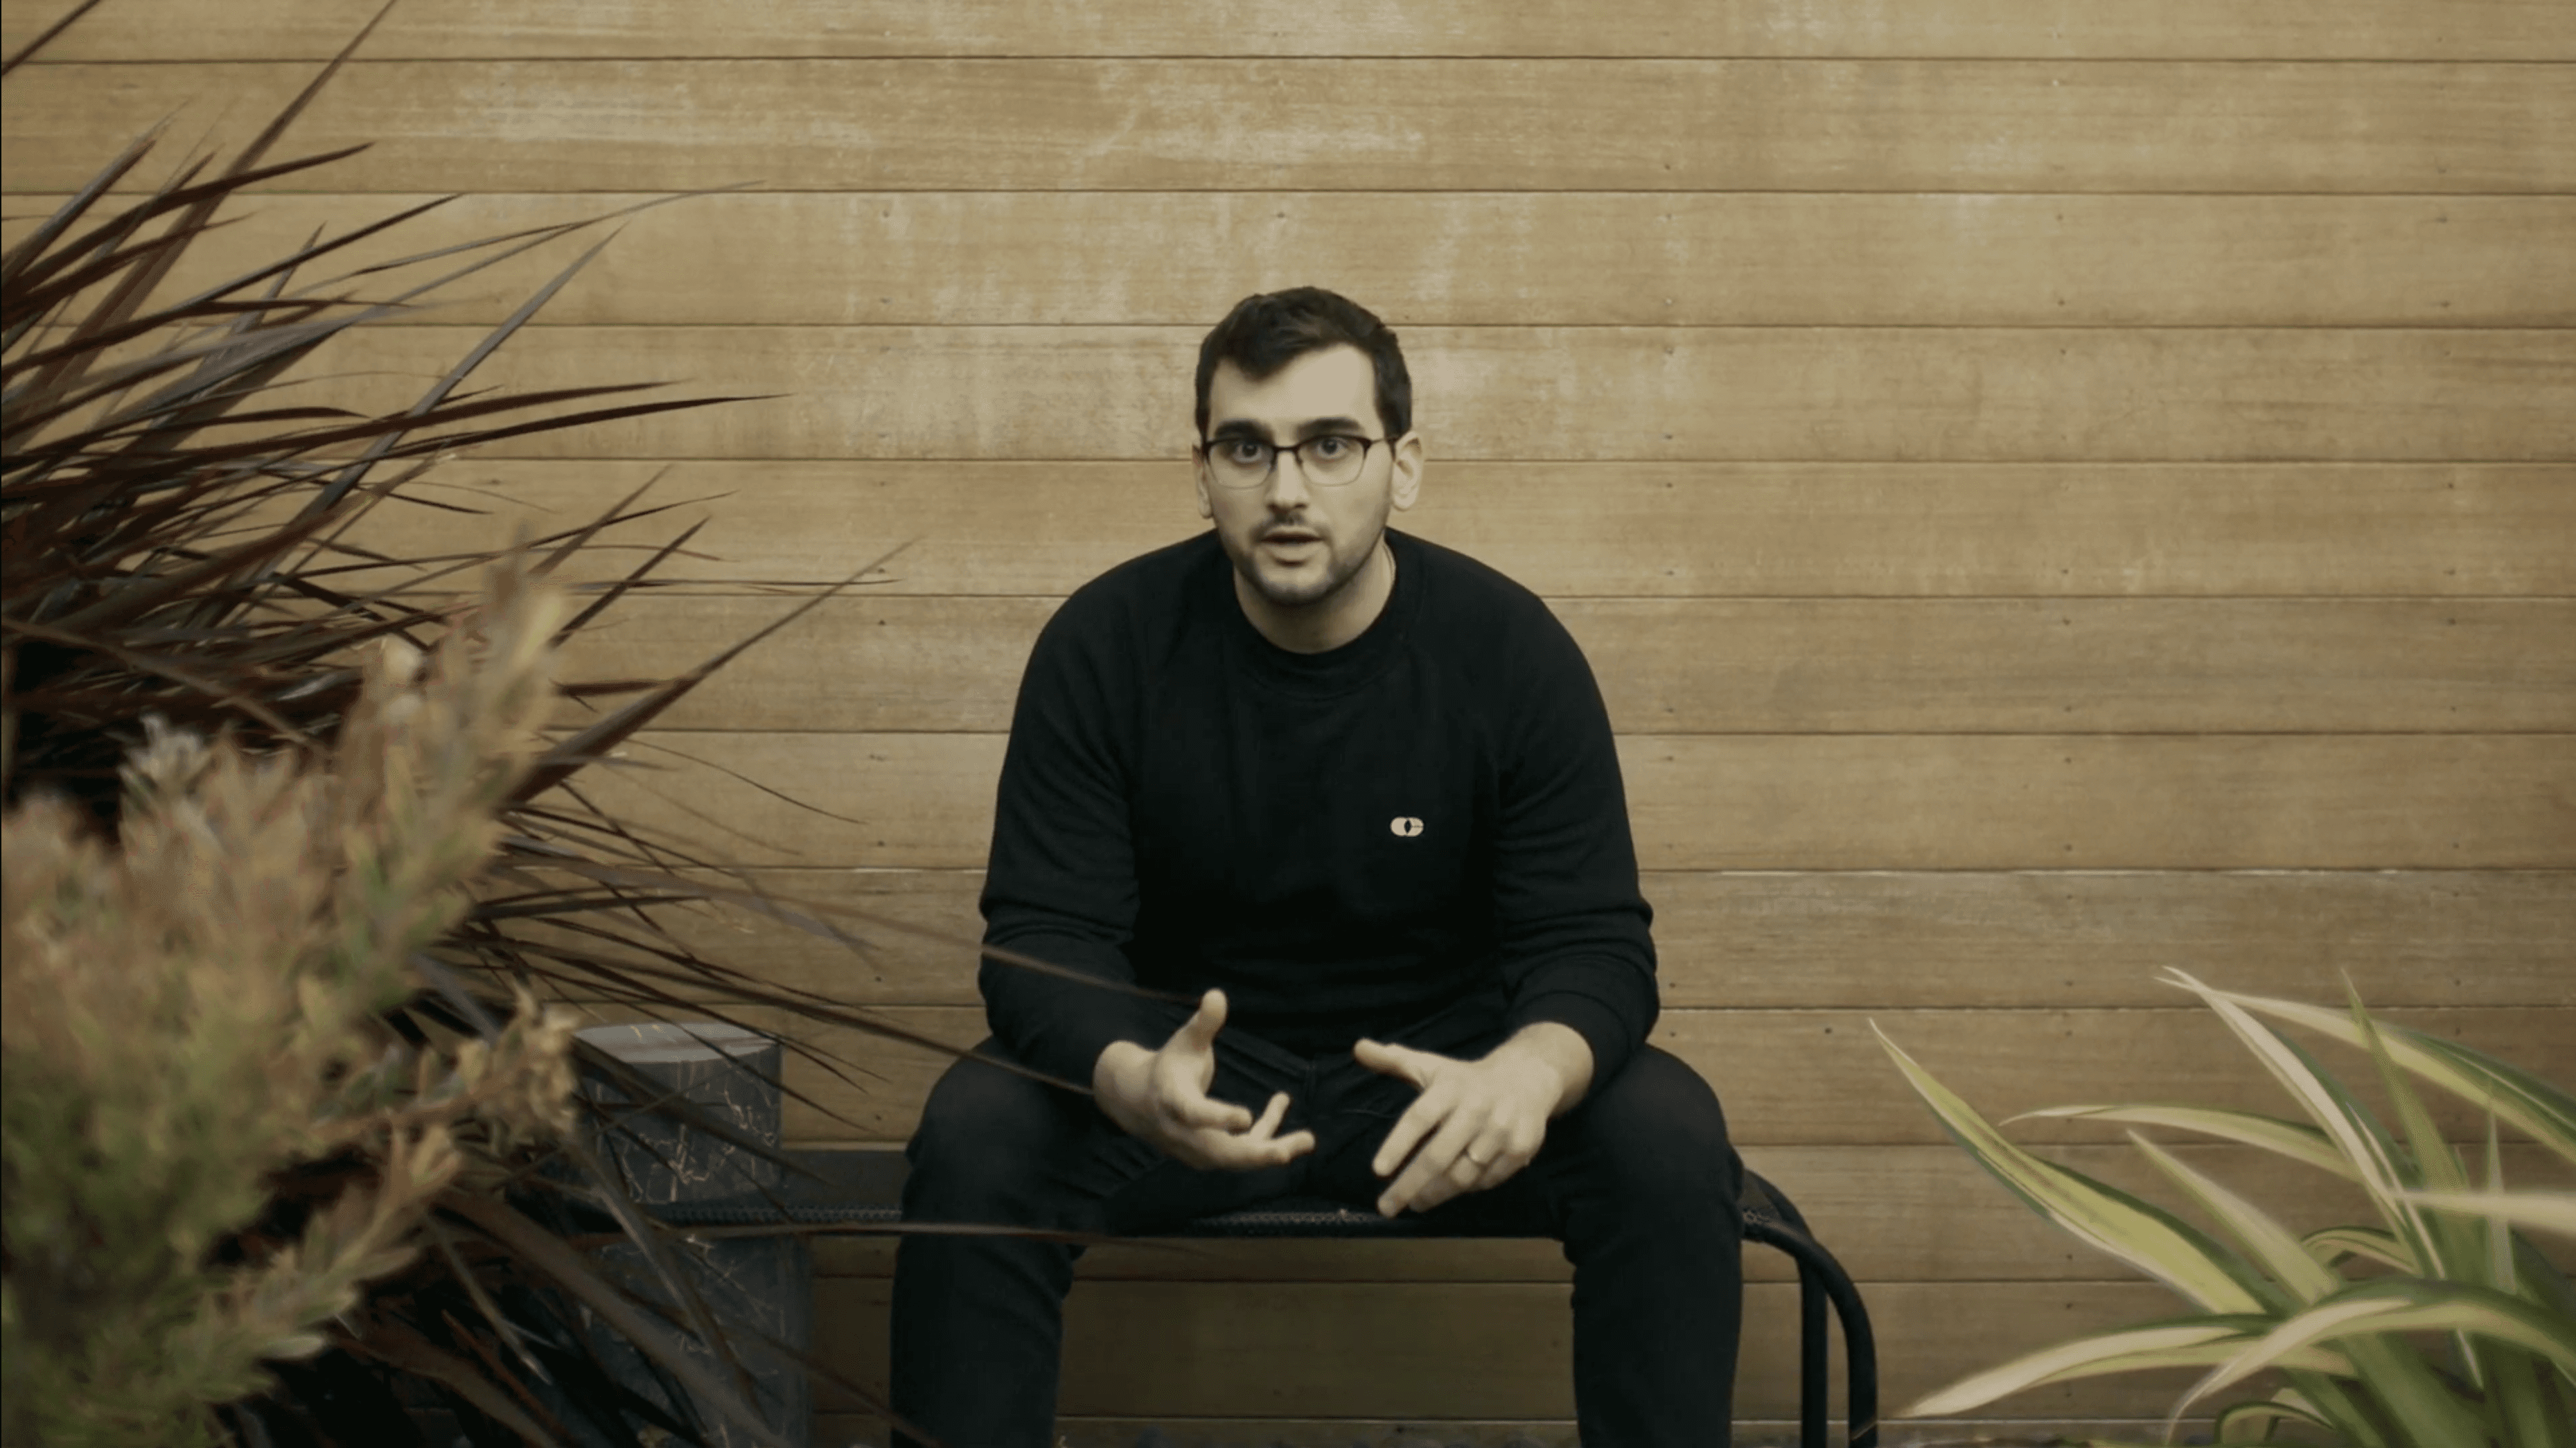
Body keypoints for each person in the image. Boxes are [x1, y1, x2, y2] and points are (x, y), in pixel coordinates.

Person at [890, 287, 1742, 1446]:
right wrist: (1126, 1074)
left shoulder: (1510, 651)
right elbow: (1041, 933)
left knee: (1666, 1132)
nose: (1287, 489)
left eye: (1330, 445)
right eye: (1247, 447)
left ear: (1403, 465)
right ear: (1203, 472)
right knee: (979, 1129)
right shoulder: (1105, 643)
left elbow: (1592, 940)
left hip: (1442, 1078)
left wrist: (1527, 1076)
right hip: (1191, 1074)